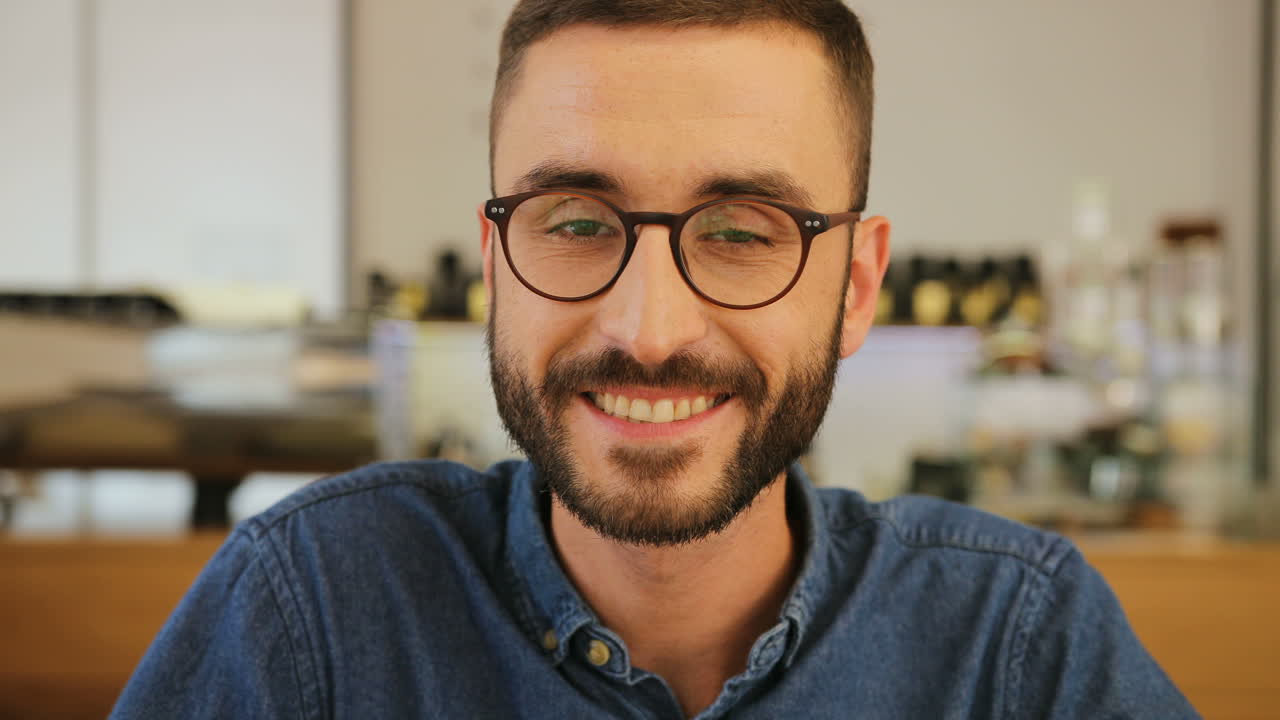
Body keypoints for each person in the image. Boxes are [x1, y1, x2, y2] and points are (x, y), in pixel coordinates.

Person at [111, 2, 1198, 718]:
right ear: (494, 264)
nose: (650, 330)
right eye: (575, 219)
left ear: (857, 285)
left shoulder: (1012, 647)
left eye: (739, 230)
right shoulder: (311, 618)